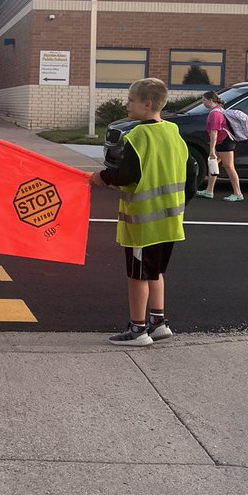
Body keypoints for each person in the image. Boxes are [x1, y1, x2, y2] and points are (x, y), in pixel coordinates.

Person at [91, 77, 196, 346]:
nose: (127, 105)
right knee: (155, 271)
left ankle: (138, 329)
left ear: (147, 104)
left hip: (143, 223)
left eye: (131, 101)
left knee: (137, 276)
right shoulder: (173, 132)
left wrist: (102, 177)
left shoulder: (138, 136)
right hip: (171, 220)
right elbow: (192, 172)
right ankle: (158, 322)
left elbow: (127, 175)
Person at [195, 90, 244, 202]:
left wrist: (212, 150)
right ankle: (209, 190)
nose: (203, 103)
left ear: (211, 100)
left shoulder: (215, 114)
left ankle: (238, 193)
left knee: (229, 167)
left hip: (224, 143)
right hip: (223, 142)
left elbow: (214, 133)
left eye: (204, 100)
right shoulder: (218, 110)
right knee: (213, 164)